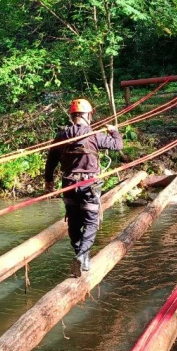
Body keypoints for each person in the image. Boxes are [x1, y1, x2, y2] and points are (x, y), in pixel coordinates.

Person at [44, 99, 124, 277]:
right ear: (88, 115)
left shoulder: (61, 136)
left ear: (72, 116)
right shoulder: (95, 135)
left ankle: (81, 256)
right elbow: (118, 145)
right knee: (90, 222)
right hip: (89, 185)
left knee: (73, 223)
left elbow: (51, 160)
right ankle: (82, 256)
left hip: (68, 184)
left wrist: (48, 180)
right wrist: (114, 131)